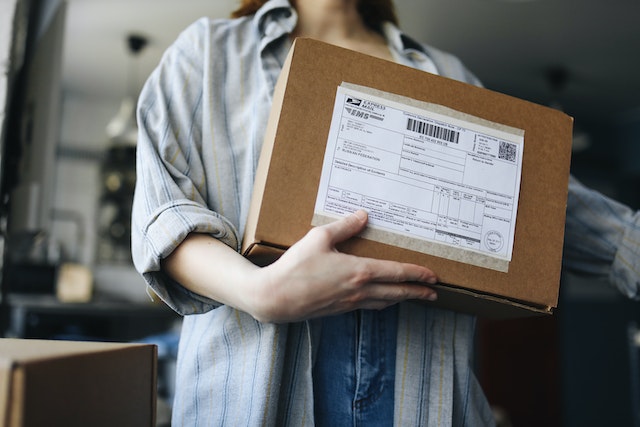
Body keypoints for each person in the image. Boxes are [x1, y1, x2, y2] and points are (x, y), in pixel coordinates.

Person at [131, 0, 640, 425]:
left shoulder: (446, 73)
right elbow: (164, 211)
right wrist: (260, 291)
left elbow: (540, 206)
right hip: (251, 400)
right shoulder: (209, 53)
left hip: (423, 402)